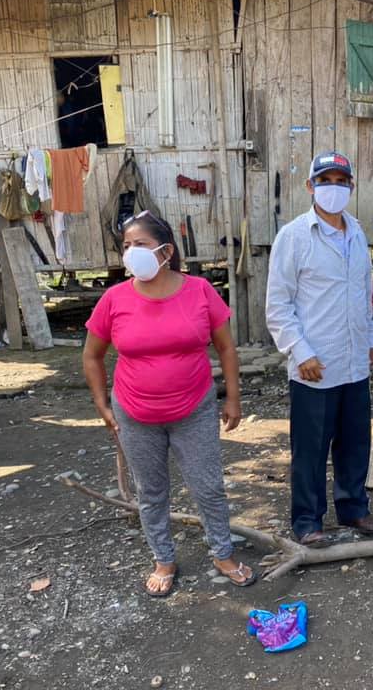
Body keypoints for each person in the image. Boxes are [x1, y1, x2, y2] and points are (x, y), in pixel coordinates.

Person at [83, 212, 255, 596]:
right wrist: (101, 403)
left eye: (140, 244)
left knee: (208, 487)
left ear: (166, 251)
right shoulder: (114, 299)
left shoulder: (199, 291)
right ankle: (164, 559)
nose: (132, 252)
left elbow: (226, 348)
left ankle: (223, 554)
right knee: (151, 492)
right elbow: (92, 356)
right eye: (126, 246)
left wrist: (233, 398)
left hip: (194, 409)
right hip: (135, 413)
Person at [265, 151, 373, 547]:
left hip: (354, 360)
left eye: (340, 181)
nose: (333, 188)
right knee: (311, 448)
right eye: (325, 181)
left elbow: (362, 293)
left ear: (351, 186)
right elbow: (278, 305)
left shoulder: (357, 233)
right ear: (310, 186)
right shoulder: (294, 237)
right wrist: (300, 352)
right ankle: (307, 520)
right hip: (314, 364)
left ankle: (353, 507)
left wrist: (370, 339)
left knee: (355, 441)